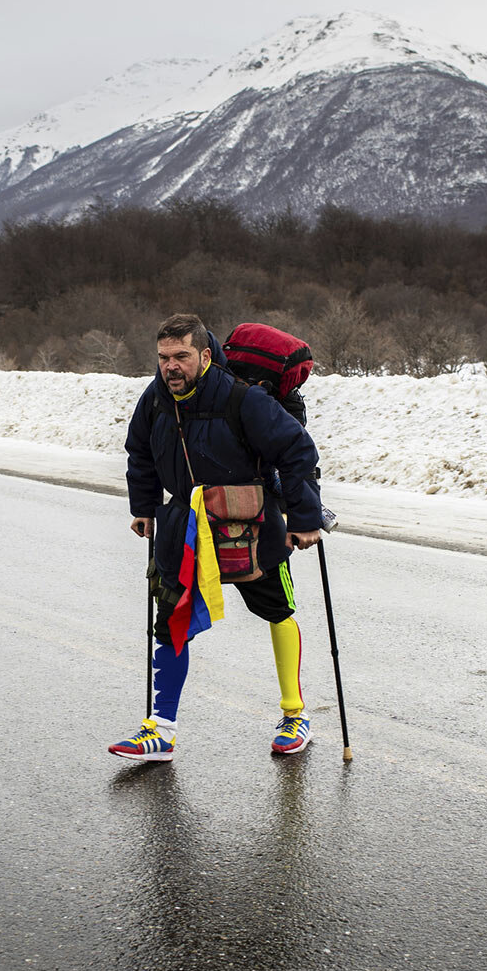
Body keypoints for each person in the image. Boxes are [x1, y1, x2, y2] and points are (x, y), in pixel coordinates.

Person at [112, 313, 325, 762]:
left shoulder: (242, 398)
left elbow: (296, 449)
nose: (171, 366)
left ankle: (295, 715)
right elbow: (140, 450)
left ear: (205, 356)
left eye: (182, 357)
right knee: (171, 622)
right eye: (164, 357)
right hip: (183, 528)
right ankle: (161, 730)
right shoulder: (154, 400)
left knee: (277, 611)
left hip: (250, 527)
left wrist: (303, 518)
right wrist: (144, 507)